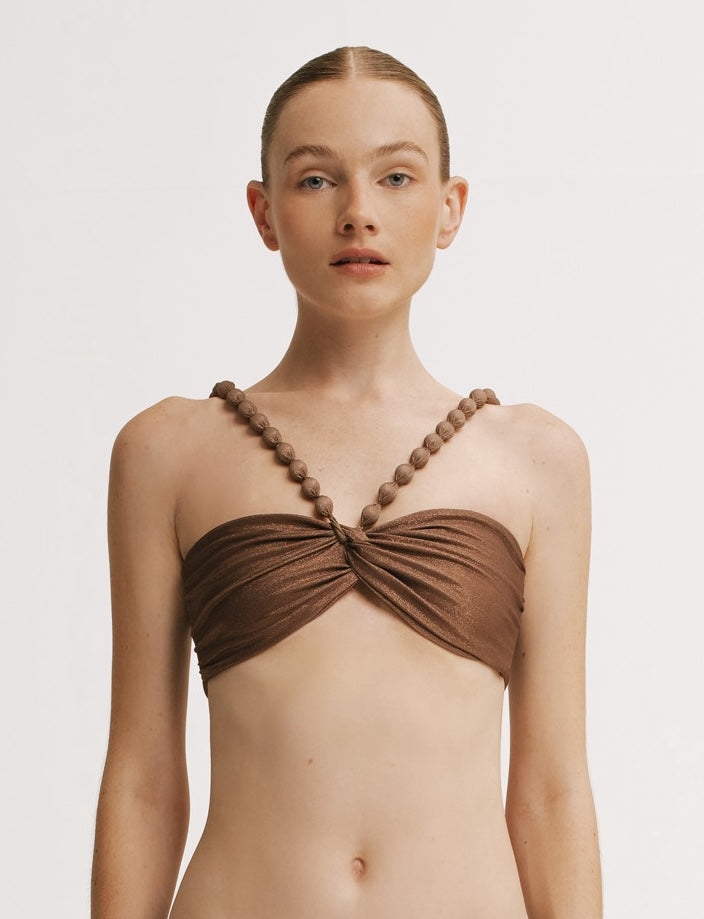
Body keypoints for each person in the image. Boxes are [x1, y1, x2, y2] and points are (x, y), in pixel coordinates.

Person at [91, 46, 602, 918]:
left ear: (450, 207)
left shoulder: (537, 459)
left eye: (396, 177)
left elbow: (553, 789)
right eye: (317, 180)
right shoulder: (167, 452)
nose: (358, 212)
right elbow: (142, 777)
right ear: (264, 212)